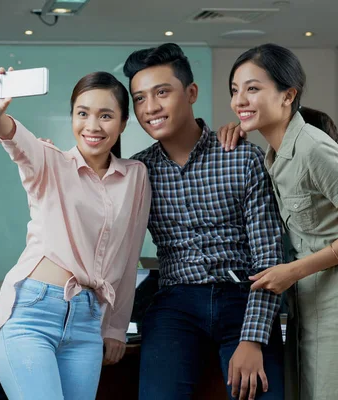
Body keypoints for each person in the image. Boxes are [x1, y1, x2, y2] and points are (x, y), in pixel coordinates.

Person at [225, 43, 338, 400]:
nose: (240, 100)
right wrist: (236, 131)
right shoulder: (274, 155)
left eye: (252, 89)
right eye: (235, 91)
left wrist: (293, 271)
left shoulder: (314, 148)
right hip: (309, 307)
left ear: (288, 95)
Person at [122, 43, 285, 400]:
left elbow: (270, 258)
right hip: (174, 304)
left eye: (162, 92)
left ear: (191, 92)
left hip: (244, 296)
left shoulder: (242, 156)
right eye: (139, 99)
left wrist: (253, 338)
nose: (150, 108)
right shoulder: (137, 172)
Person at [0, 68, 151, 400]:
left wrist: (115, 327)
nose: (92, 126)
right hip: (31, 314)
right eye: (82, 113)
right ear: (72, 117)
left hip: (87, 323)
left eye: (106, 115)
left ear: (122, 123)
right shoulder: (49, 161)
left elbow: (129, 255)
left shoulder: (135, 176)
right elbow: (17, 141)